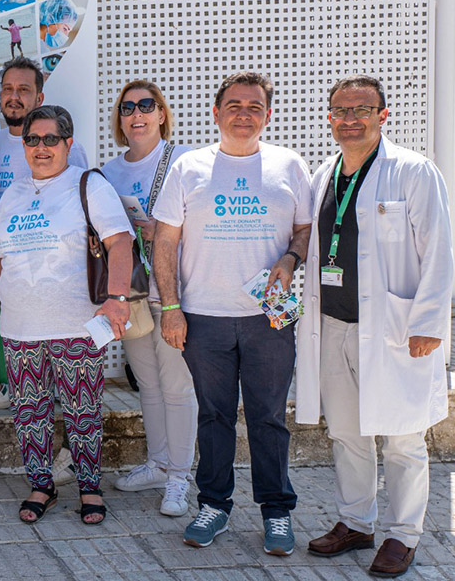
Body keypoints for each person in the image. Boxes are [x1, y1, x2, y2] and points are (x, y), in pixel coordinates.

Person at [295, 75, 453, 578]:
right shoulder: (325, 174)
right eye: (341, 110)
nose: (351, 119)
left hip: (398, 330)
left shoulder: (413, 171)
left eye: (362, 110)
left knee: (404, 437)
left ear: (384, 115)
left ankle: (403, 536)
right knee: (347, 433)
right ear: (329, 118)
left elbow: (440, 253)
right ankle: (356, 523)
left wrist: (430, 323)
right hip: (335, 325)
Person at [151, 72, 312, 555]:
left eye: (255, 106)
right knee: (214, 415)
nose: (245, 113)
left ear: (268, 115)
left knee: (268, 418)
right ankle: (214, 506)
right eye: (235, 105)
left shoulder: (289, 164)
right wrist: (171, 307)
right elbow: (164, 241)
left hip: (270, 317)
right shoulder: (189, 167)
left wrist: (290, 258)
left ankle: (277, 513)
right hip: (204, 316)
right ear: (216, 112)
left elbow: (303, 230)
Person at [0, 105, 132, 525]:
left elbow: (120, 243)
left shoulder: (88, 185)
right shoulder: (13, 193)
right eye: (32, 139)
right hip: (20, 327)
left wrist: (118, 297)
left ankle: (89, 488)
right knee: (29, 411)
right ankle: (41, 485)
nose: (40, 148)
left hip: (76, 324)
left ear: (68, 143)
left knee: (83, 412)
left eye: (50, 139)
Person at [0, 55, 88, 417]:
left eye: (24, 89)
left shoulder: (68, 147)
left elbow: (84, 206)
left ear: (39, 96)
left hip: (51, 269)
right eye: (7, 89)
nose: (14, 97)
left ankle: (58, 417)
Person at [101, 80, 197, 517]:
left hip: (175, 292)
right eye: (127, 108)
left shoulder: (185, 162)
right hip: (136, 293)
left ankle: (181, 476)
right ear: (120, 120)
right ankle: (158, 464)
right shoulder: (109, 172)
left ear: (161, 113)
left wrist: (166, 230)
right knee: (149, 384)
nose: (136, 114)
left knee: (178, 387)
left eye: (146, 105)